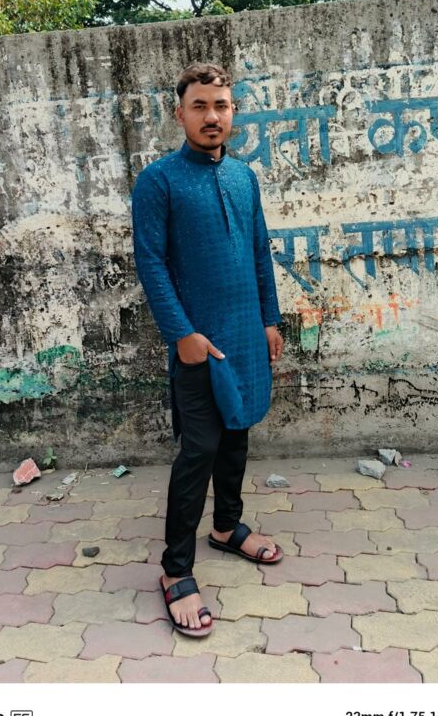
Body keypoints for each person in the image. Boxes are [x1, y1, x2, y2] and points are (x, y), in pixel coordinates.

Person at [131, 62, 284, 637]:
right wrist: (181, 335)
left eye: (221, 105)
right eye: (199, 106)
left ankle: (226, 528)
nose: (211, 116)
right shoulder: (159, 181)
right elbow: (151, 263)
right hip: (197, 342)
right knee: (199, 450)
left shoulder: (244, 178)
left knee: (238, 435)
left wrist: (269, 319)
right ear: (180, 114)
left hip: (246, 333)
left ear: (232, 112)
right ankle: (176, 570)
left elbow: (259, 250)